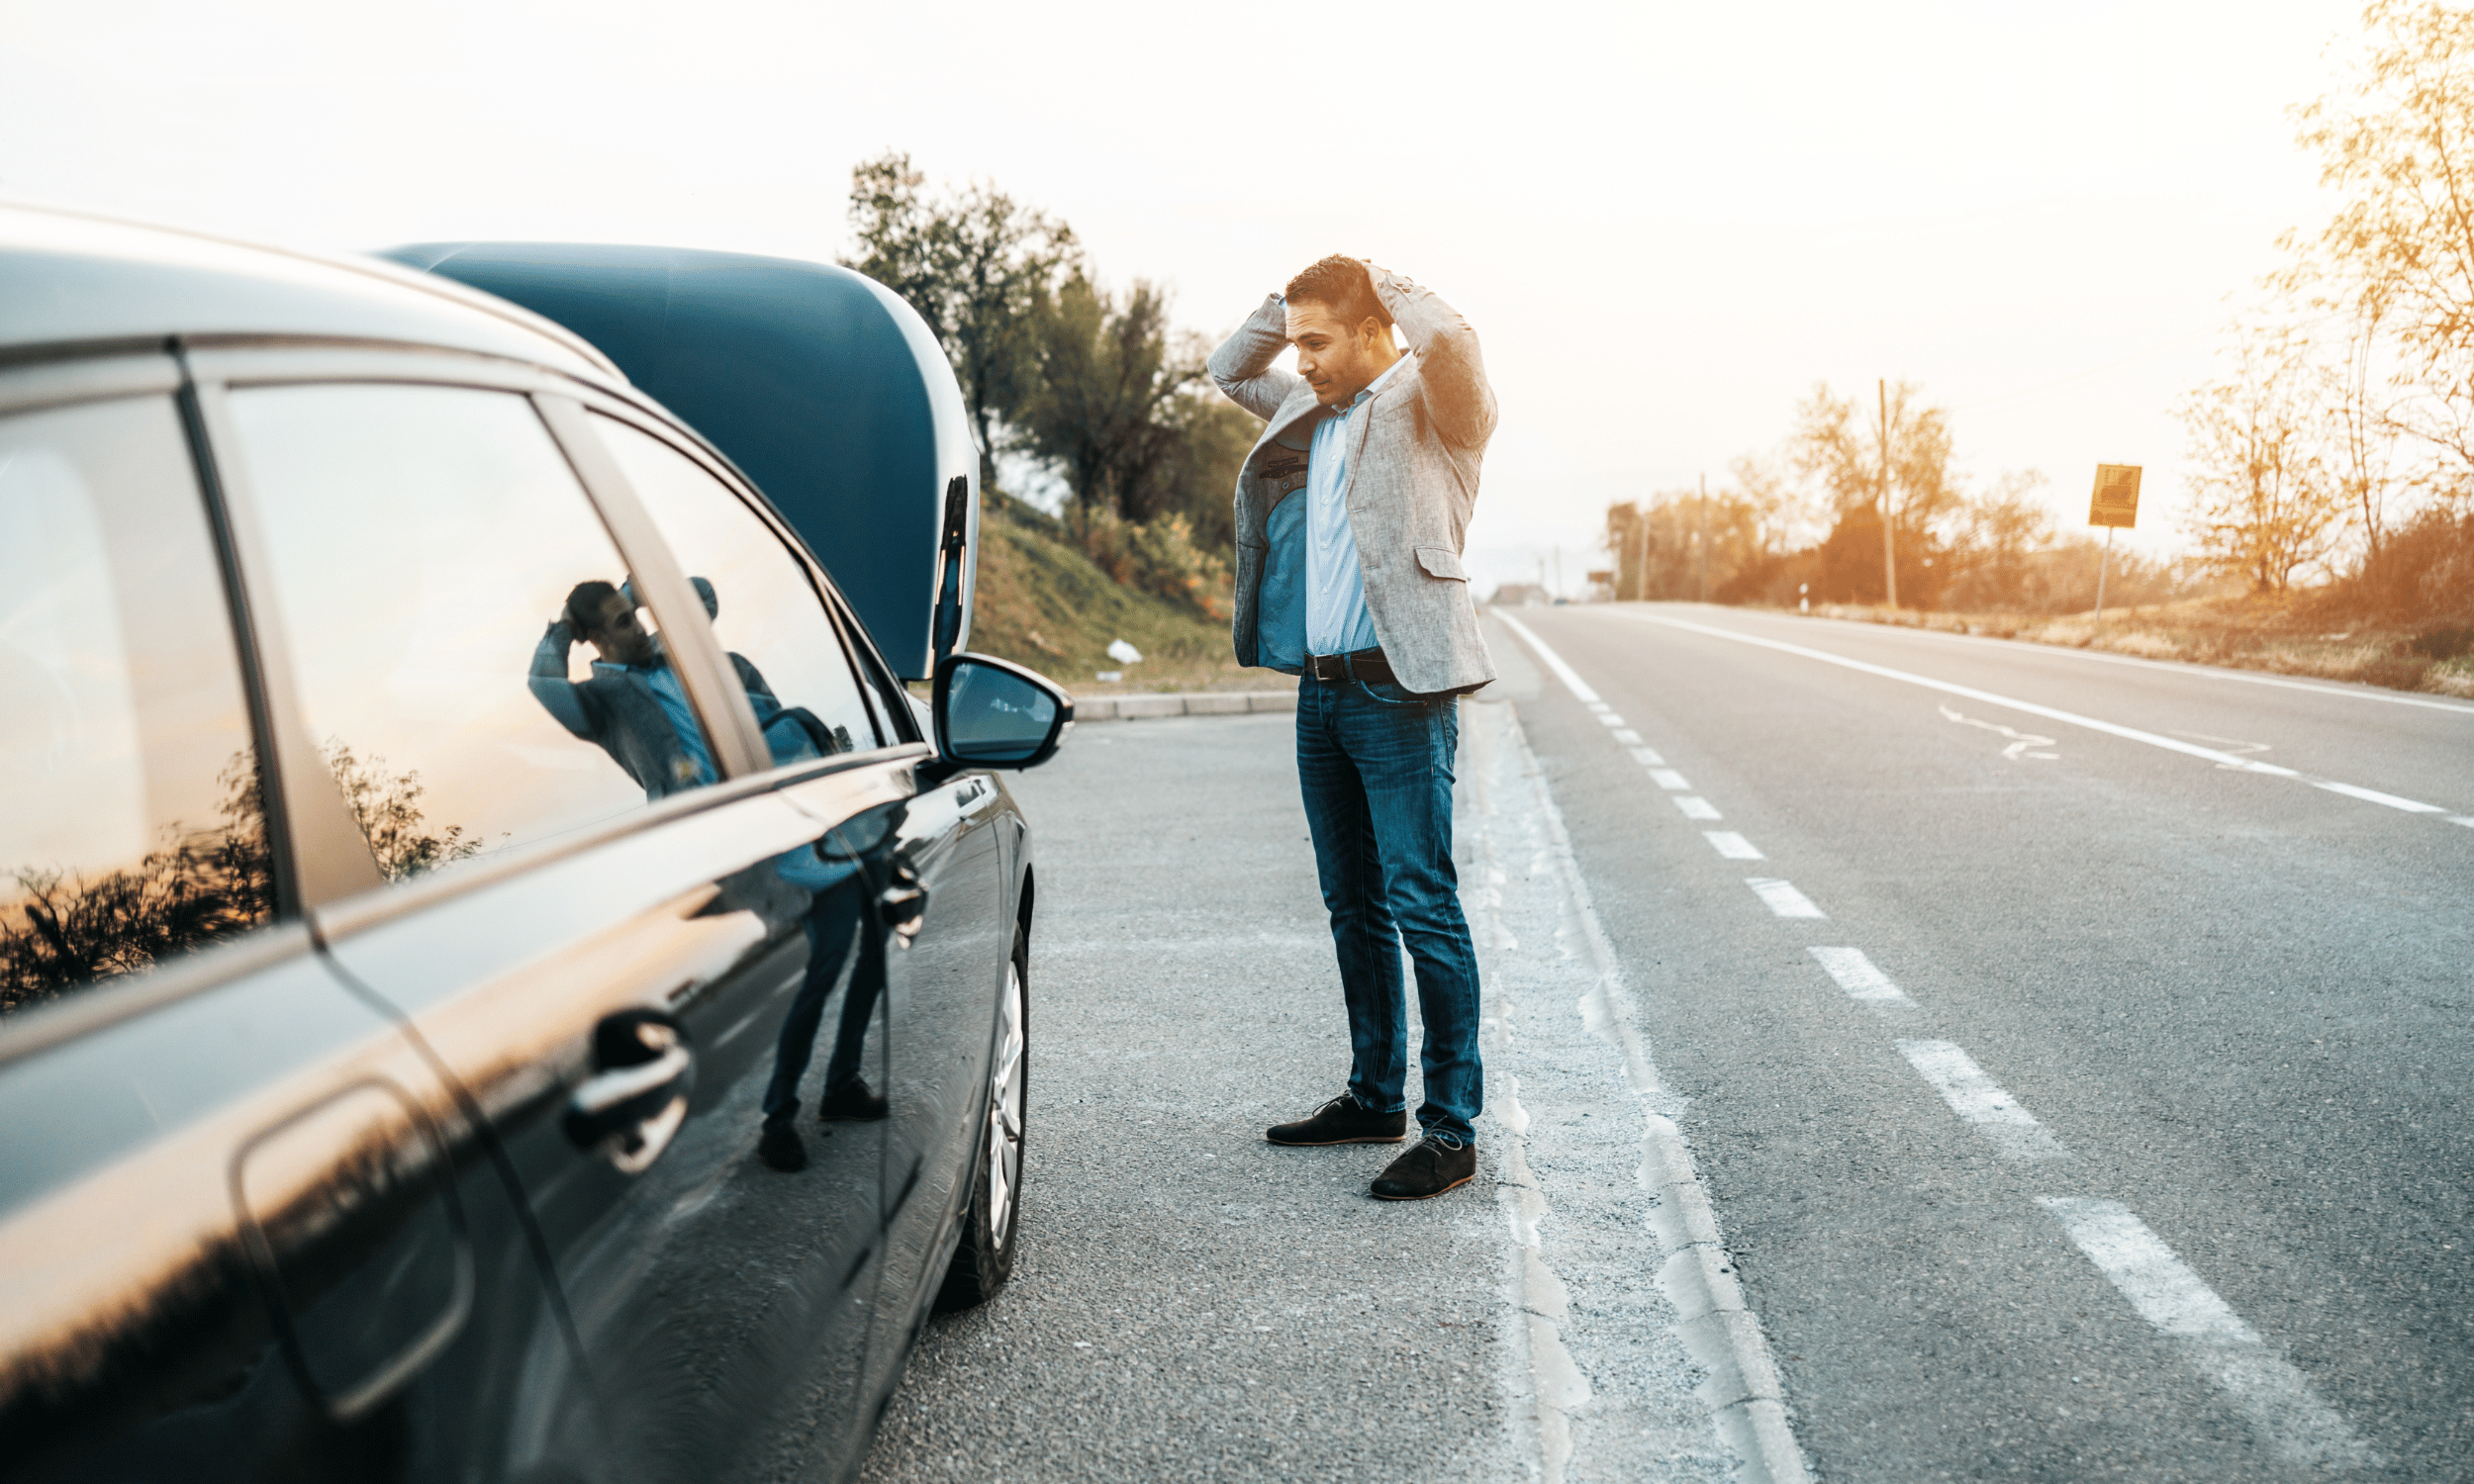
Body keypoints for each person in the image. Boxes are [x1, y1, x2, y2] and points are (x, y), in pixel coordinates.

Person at [1210, 255, 1497, 1200]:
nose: (1302, 362)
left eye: (1320, 342)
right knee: (1353, 906)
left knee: (1421, 901)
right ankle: (1374, 1094)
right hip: (1323, 691)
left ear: (1378, 330)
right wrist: (1288, 303)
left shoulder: (1434, 400)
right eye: (1296, 345)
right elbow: (1226, 367)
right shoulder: (1310, 408)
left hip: (1401, 688)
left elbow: (1449, 337)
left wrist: (1382, 275)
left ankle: (1449, 1129)